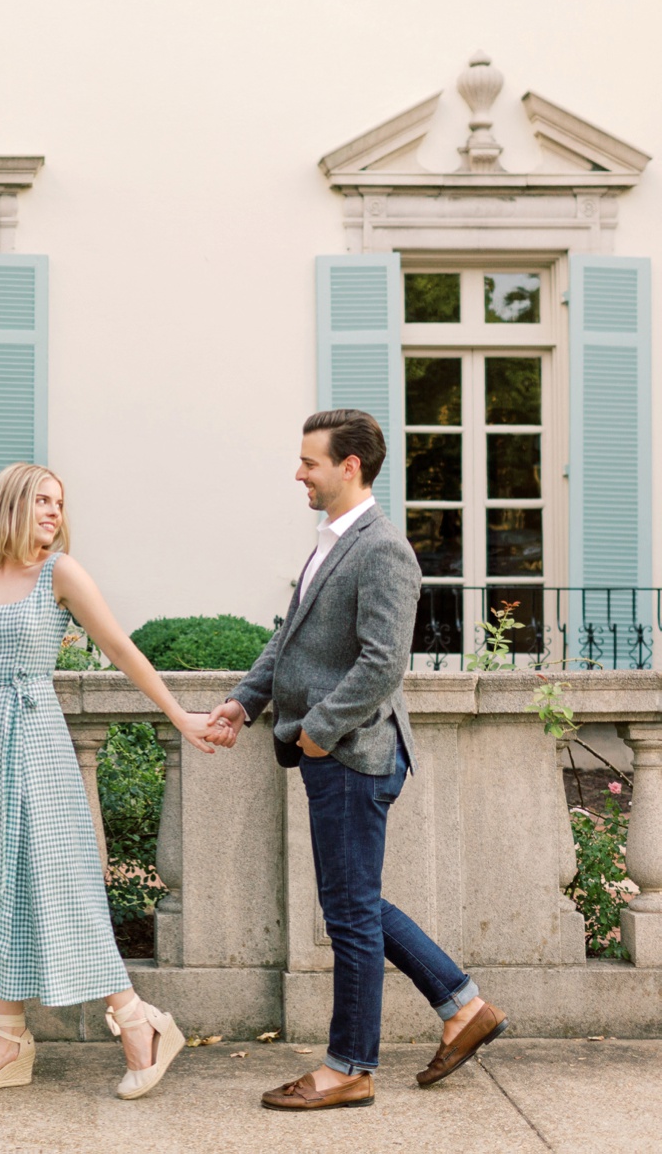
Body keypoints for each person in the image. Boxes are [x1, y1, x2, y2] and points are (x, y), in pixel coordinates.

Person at [206, 409, 507, 1112]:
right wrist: (244, 702)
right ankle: (463, 1008)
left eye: (309, 461)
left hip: (352, 753)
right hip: (335, 751)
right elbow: (294, 641)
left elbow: (382, 664)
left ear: (350, 467)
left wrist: (316, 730)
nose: (298, 473)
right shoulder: (332, 540)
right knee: (357, 902)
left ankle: (349, 1067)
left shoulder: (382, 548)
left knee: (347, 913)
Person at [0, 462, 223, 1101]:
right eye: (42, 500)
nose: (55, 512)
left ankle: (139, 1023)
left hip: (34, 742)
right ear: (10, 504)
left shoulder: (59, 573)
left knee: (60, 883)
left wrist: (177, 712)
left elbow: (121, 649)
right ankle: (8, 1041)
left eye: (60, 502)